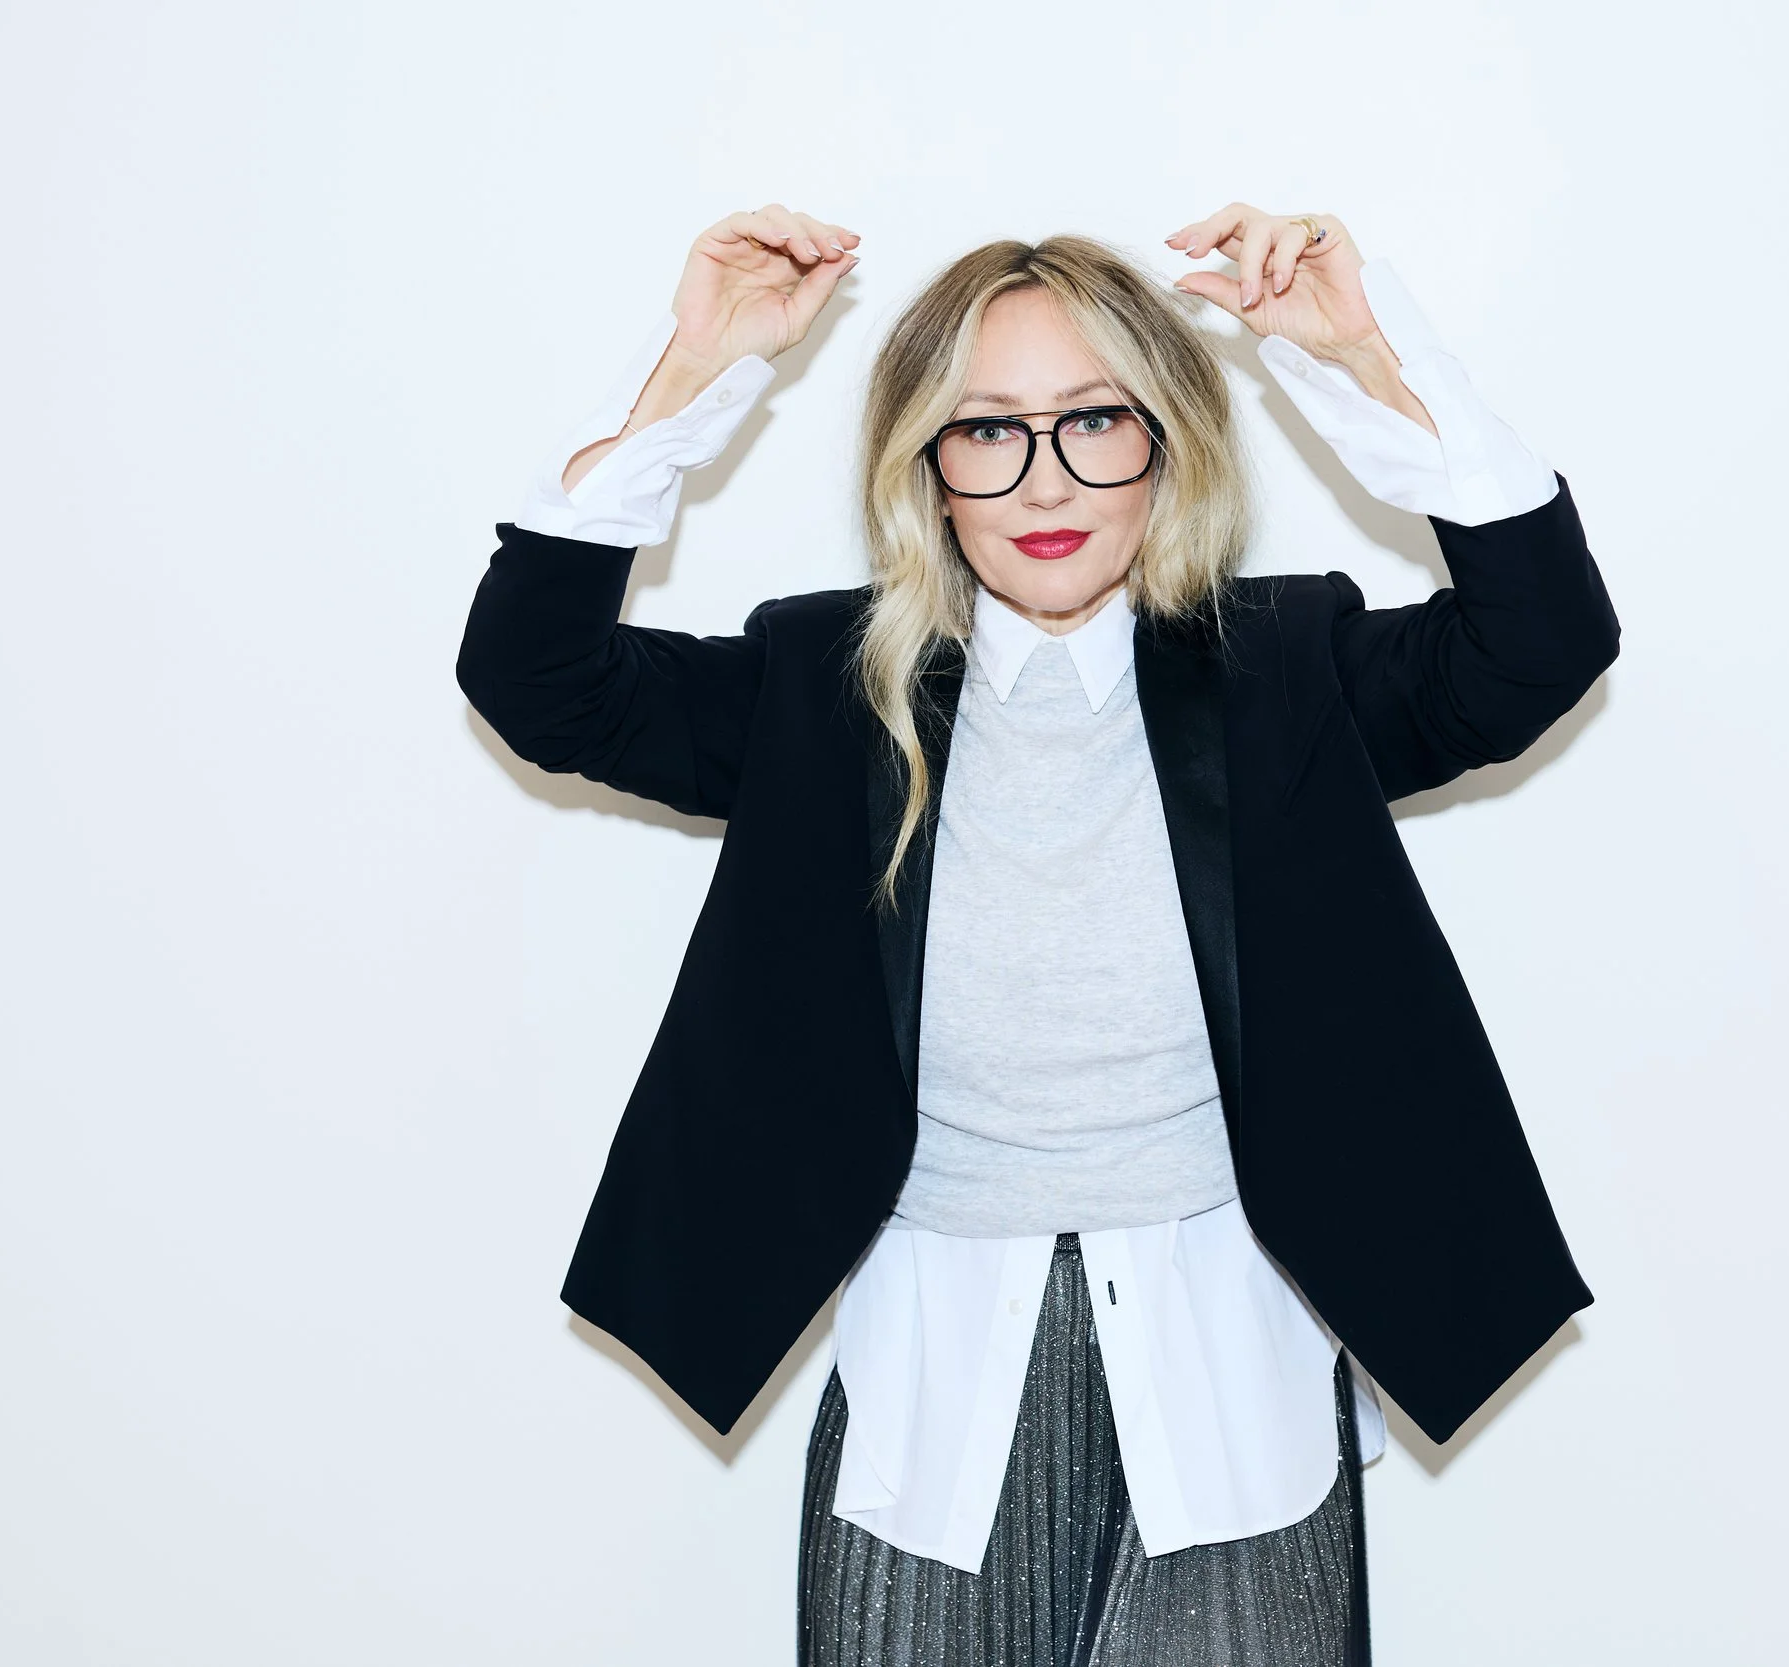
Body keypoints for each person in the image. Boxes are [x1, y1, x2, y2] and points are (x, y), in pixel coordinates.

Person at [457, 200, 1620, 1666]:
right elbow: (536, 678)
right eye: (988, 430)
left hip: (1235, 1377)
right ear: (926, 466)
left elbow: (1542, 642)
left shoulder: (1287, 671)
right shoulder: (823, 685)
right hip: (934, 1392)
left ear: (1170, 439)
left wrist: (1368, 356)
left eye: (1094, 421)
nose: (1044, 478)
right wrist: (690, 372)